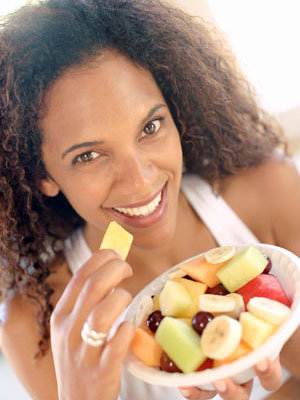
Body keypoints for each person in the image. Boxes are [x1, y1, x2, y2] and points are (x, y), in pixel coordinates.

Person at [0, 1, 300, 399]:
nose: (140, 180)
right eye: (88, 155)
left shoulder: (270, 194)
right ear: (42, 175)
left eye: (151, 126)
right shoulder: (35, 324)